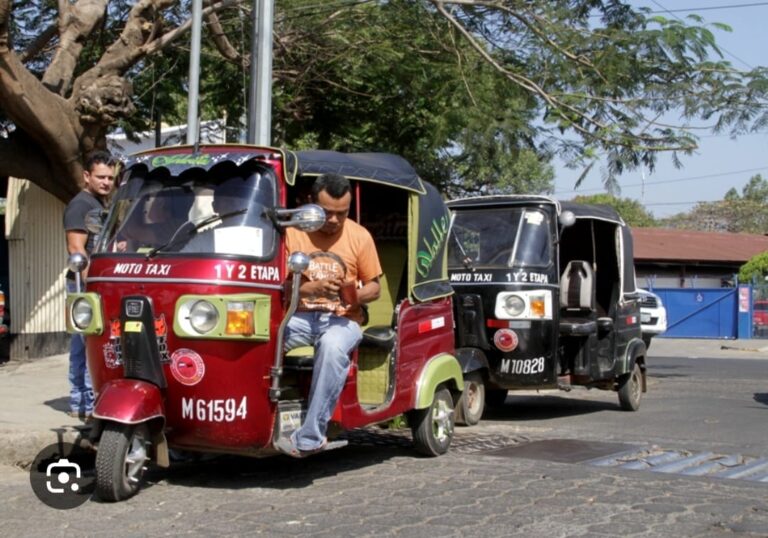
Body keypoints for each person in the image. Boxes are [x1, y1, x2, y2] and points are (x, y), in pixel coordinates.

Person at [276, 173, 382, 457]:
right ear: (311, 204)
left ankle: (311, 436)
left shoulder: (359, 235)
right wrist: (310, 288)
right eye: (327, 213)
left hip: (343, 319)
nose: (335, 220)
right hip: (297, 316)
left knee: (333, 346)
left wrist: (350, 295)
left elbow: (375, 288)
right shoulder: (292, 233)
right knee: (263, 337)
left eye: (342, 213)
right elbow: (277, 285)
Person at [63, 150, 117, 420]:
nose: (106, 182)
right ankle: (81, 401)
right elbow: (77, 248)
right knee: (83, 342)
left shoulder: (102, 205)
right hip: (84, 285)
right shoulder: (81, 205)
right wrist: (92, 286)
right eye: (101, 177)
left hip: (99, 284)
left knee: (97, 342)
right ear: (87, 176)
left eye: (110, 177)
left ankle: (93, 397)